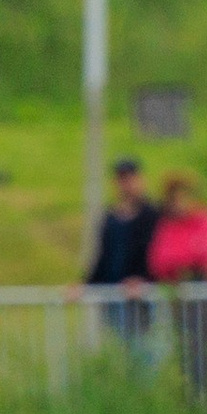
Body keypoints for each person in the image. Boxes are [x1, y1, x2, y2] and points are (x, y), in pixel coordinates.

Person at [148, 173, 207, 405]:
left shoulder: (205, 221)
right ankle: (190, 405)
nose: (179, 203)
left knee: (206, 352)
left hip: (201, 291)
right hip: (178, 296)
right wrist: (180, 263)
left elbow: (203, 254)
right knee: (185, 353)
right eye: (174, 198)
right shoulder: (168, 227)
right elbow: (158, 261)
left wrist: (180, 262)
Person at [80, 155, 160, 362]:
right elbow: (103, 256)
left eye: (130, 178)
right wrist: (86, 285)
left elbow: (155, 253)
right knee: (119, 351)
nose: (126, 183)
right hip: (114, 293)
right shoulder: (111, 216)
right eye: (121, 179)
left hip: (141, 296)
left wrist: (143, 279)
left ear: (140, 179)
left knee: (143, 350)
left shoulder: (152, 214)